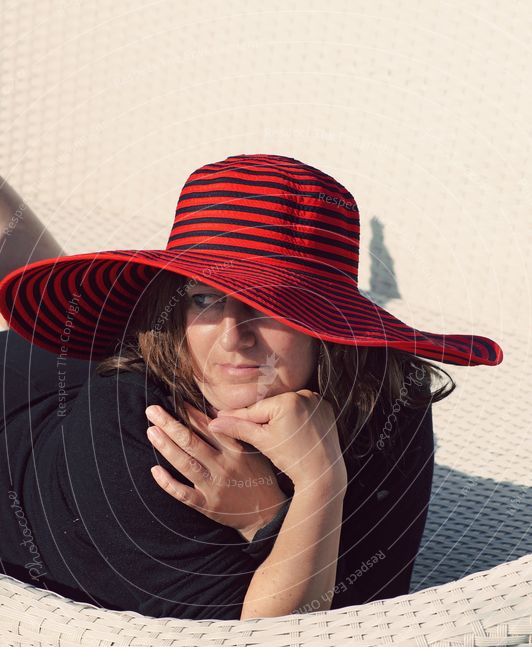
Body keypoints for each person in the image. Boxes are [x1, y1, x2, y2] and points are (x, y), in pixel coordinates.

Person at [0, 154, 504, 620]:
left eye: (271, 306)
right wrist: (315, 488)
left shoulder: (391, 395)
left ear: (326, 322)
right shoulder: (138, 438)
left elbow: (366, 609)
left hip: (82, 373)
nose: (233, 337)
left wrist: (273, 511)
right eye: (204, 298)